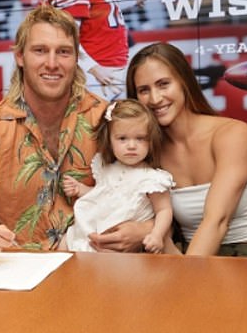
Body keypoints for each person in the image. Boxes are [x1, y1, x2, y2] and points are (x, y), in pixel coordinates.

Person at [0, 4, 152, 262]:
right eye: (40, 51)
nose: (52, 63)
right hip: (17, 280)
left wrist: (144, 230)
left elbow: (154, 191)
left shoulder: (107, 121)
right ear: (20, 56)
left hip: (95, 273)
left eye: (63, 52)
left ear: (76, 58)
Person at [122, 42, 247, 258]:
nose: (155, 99)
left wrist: (189, 282)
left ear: (184, 82)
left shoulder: (233, 133)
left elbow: (217, 221)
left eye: (163, 84)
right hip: (193, 254)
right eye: (144, 90)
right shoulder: (149, 152)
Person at [60, 99, 175, 253]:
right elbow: (101, 196)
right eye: (122, 139)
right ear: (110, 140)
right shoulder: (106, 168)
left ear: (151, 140)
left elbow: (164, 210)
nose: (131, 145)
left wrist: (156, 235)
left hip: (117, 243)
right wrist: (80, 189)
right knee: (65, 245)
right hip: (89, 232)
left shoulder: (152, 179)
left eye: (140, 138)